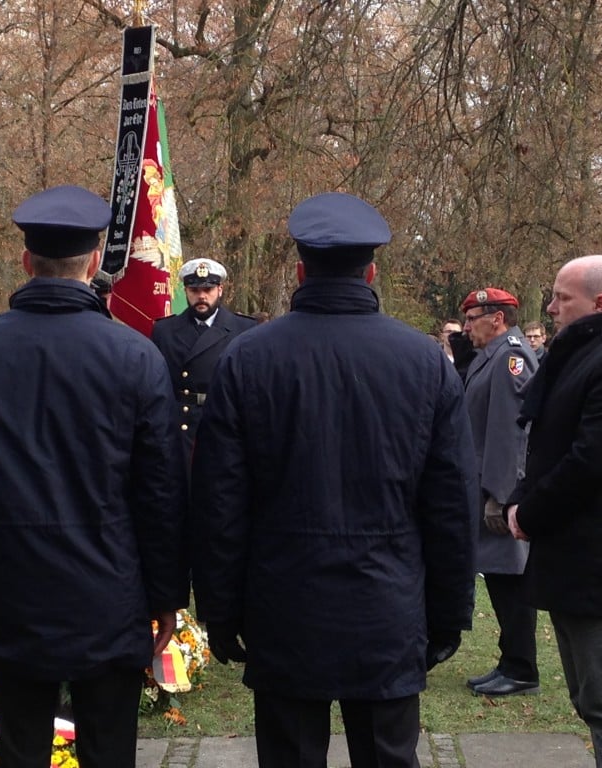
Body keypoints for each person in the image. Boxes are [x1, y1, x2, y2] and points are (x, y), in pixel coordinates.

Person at [191, 192, 478, 768]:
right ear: (371, 270)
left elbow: (220, 500)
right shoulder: (423, 362)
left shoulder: (248, 359)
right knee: (387, 755)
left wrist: (219, 609)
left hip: (285, 599)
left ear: (301, 270)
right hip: (386, 601)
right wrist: (449, 612)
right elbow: (451, 502)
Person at [0, 185, 187, 768]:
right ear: (94, 262)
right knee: (110, 749)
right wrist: (167, 596)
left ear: (27, 262)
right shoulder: (135, 356)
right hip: (109, 592)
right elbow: (161, 490)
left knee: (20, 751)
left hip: (10, 588)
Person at [506, 254, 602, 768]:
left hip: (600, 553)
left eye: (561, 298)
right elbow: (552, 444)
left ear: (599, 303)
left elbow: (591, 462)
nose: (551, 308)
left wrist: (529, 515)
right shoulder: (581, 351)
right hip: (573, 549)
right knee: (590, 698)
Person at [460, 287, 540, 697]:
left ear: (498, 318)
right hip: (481, 482)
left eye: (474, 317)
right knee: (498, 575)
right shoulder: (489, 357)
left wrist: (503, 494)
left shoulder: (511, 358)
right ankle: (511, 659)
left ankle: (522, 666)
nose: (467, 325)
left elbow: (512, 433)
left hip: (497, 487)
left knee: (511, 577)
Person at [150, 258, 257, 471]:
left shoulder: (243, 329)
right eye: (194, 290)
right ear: (186, 290)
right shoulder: (165, 330)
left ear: (220, 290)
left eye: (208, 289)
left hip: (224, 420)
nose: (201, 296)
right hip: (180, 425)